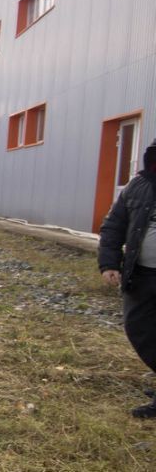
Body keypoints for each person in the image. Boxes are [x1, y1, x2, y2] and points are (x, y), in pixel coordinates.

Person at [99, 140, 156, 418]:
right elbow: (113, 226)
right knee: (139, 330)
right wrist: (109, 263)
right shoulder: (138, 186)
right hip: (142, 275)